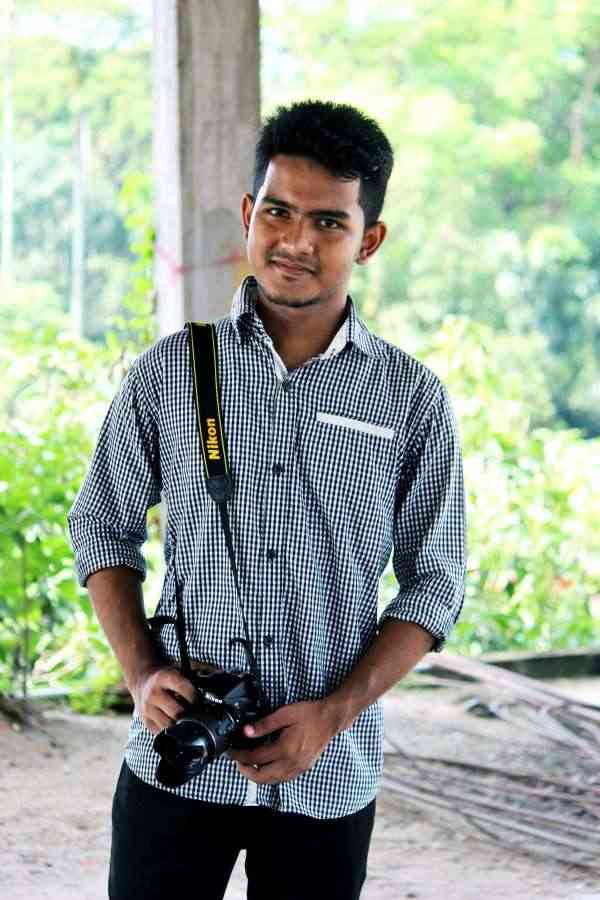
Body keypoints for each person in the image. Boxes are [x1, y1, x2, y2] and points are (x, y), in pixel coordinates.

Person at [67, 99, 466, 900]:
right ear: (250, 213)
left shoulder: (411, 397)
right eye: (279, 212)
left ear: (369, 239)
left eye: (329, 222)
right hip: (179, 757)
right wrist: (142, 674)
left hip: (328, 770)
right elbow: (102, 525)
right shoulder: (172, 371)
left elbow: (437, 581)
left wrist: (334, 714)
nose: (296, 242)